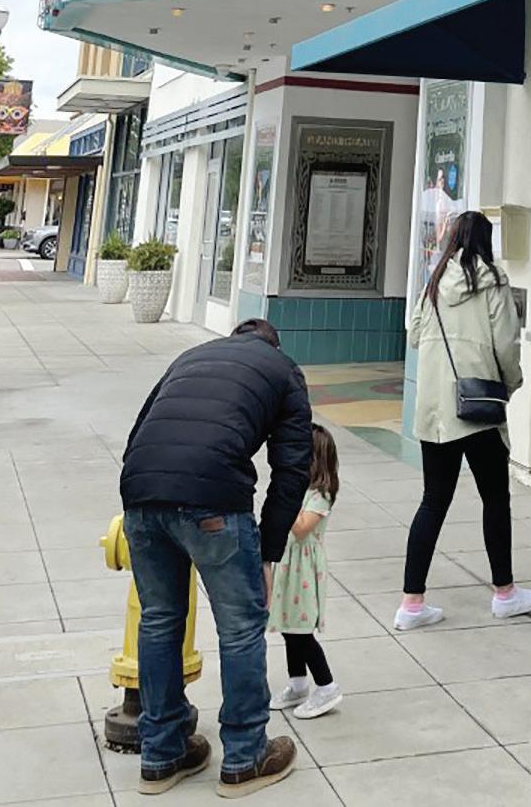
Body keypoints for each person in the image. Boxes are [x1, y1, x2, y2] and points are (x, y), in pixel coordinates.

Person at [120, 317, 312, 797]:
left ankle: (161, 754)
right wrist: (268, 552)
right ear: (273, 345)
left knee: (159, 620)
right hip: (213, 503)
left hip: (141, 493)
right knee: (241, 627)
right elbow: (292, 470)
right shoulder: (284, 370)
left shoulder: (190, 358)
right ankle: (246, 757)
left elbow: (140, 432)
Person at [397, 210, 531, 631]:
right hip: (479, 407)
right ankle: (505, 593)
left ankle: (411, 603)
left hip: (435, 411)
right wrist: (510, 384)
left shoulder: (433, 282)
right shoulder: (493, 281)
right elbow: (506, 344)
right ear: (486, 240)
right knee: (495, 499)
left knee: (433, 501)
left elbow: (413, 333)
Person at [268, 423, 342, 720]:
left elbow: (300, 529)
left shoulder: (321, 494)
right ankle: (297, 683)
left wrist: (285, 498)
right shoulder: (303, 490)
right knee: (289, 626)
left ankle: (327, 686)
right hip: (289, 564)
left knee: (301, 630)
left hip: (304, 569)